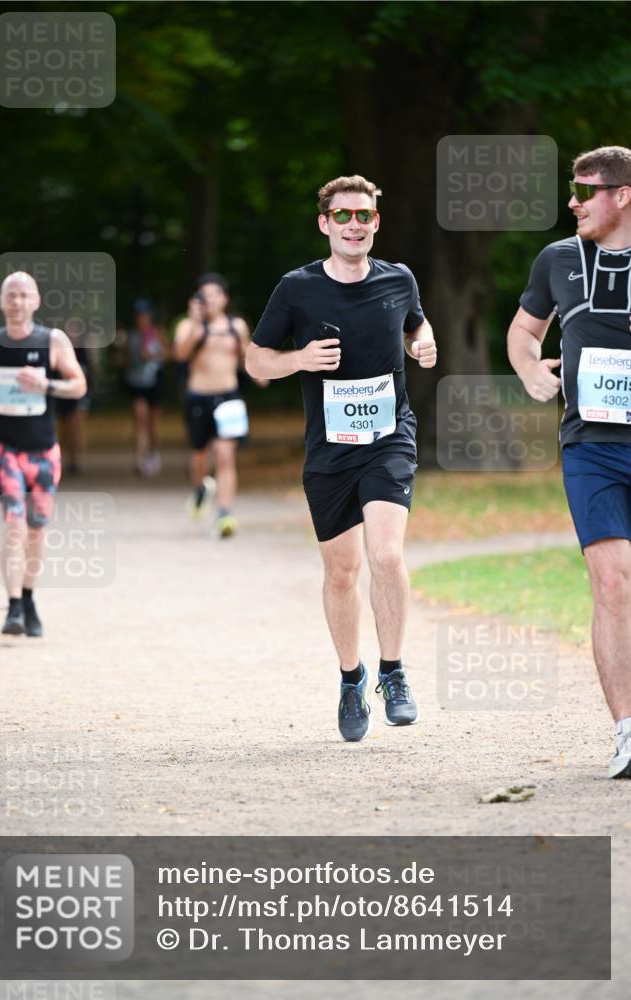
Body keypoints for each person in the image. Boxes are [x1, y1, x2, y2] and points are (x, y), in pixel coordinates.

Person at [246, 175, 437, 741]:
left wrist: (422, 340)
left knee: (384, 555)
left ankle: (394, 673)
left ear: (376, 223)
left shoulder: (399, 278)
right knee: (342, 571)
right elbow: (257, 363)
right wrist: (300, 358)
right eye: (344, 216)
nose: (355, 225)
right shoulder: (296, 288)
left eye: (365, 216)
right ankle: (351, 680)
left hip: (389, 438)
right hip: (328, 449)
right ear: (325, 223)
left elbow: (414, 323)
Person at [507, 145, 631, 779]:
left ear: (623, 195)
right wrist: (530, 370)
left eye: (586, 191)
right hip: (593, 447)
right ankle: (627, 732)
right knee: (612, 584)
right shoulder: (558, 259)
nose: (573, 202)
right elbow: (524, 331)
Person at [0, 271, 87, 636]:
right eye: (10, 296)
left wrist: (45, 384)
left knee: (36, 532)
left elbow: (78, 385)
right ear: (2, 302)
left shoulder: (52, 340)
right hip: (6, 452)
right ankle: (13, 605)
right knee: (14, 526)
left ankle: (30, 599)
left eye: (24, 295)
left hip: (44, 455)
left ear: (35, 301)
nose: (17, 302)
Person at [173, 273, 254, 538]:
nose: (209, 300)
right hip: (198, 398)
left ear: (224, 298)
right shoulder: (188, 326)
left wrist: (260, 373)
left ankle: (225, 513)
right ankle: (199, 489)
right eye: (204, 296)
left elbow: (246, 357)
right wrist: (196, 324)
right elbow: (180, 355)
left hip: (229, 397)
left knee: (225, 455)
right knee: (199, 456)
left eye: (214, 295)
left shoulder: (236, 326)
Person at [120, 299, 169, 477]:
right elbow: (124, 358)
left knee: (153, 422)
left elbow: (168, 353)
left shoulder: (157, 333)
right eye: (139, 315)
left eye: (145, 315)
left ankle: (153, 453)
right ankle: (139, 457)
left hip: (154, 380)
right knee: (140, 418)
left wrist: (153, 354)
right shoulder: (131, 335)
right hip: (135, 382)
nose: (142, 318)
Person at [56, 317, 96, 476]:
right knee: (65, 427)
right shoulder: (58, 349)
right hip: (63, 393)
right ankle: (64, 457)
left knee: (76, 424)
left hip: (81, 393)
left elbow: (92, 371)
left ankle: (76, 459)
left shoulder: (85, 348)